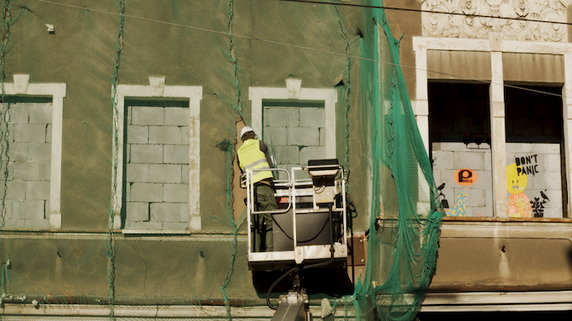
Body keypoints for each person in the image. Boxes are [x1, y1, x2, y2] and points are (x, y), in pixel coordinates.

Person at [237, 126, 277, 252]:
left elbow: (242, 171)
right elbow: (270, 165)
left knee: (256, 223)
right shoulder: (259, 144)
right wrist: (274, 182)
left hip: (251, 190)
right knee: (271, 220)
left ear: (242, 139)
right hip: (264, 186)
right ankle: (270, 250)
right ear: (253, 135)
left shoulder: (239, 152)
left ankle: (256, 251)